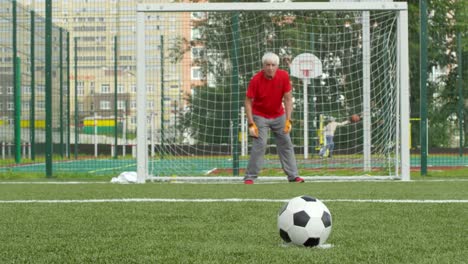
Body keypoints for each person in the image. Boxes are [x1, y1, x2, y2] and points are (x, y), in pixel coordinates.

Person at [243, 52, 304, 184]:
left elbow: (288, 99)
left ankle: (293, 176)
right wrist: (251, 123)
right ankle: (250, 177)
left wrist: (288, 120)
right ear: (263, 66)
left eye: (273, 65)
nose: (270, 68)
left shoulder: (284, 76)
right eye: (267, 65)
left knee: (286, 143)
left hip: (279, 115)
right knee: (260, 144)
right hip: (259, 116)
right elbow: (248, 101)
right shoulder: (256, 80)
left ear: (277, 66)